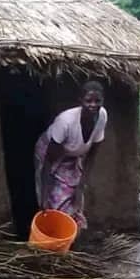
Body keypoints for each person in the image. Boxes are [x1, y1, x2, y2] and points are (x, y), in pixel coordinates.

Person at [34, 81, 107, 230]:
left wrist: (81, 187)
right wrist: (44, 195)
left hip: (72, 156)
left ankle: (71, 231)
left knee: (75, 198)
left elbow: (92, 155)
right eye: (88, 101)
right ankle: (54, 233)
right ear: (80, 101)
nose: (93, 105)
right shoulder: (65, 121)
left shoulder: (102, 116)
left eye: (97, 101)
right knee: (54, 200)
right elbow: (48, 162)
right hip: (50, 154)